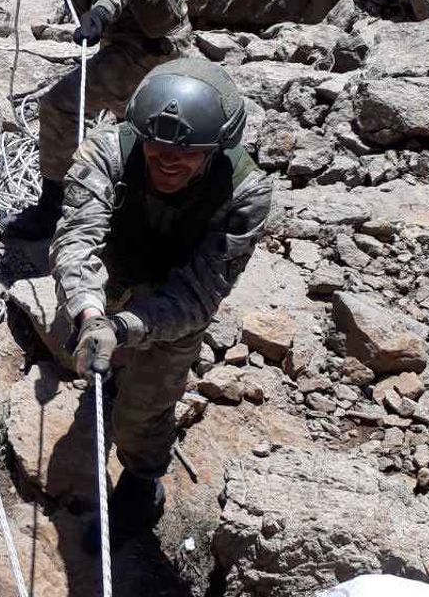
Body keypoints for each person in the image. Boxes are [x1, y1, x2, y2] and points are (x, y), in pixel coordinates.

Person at [50, 58, 272, 543]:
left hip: (175, 296)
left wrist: (123, 328)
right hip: (113, 276)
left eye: (186, 152)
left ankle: (141, 483)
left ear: (215, 149)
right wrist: (90, 311)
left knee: (144, 411)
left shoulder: (245, 192)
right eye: (157, 148)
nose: (169, 161)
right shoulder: (107, 150)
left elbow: (199, 296)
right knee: (83, 345)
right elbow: (76, 239)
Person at [3, 0, 191, 240]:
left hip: (149, 48)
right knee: (131, 124)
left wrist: (101, 13)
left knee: (58, 106)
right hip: (125, 37)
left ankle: (52, 209)